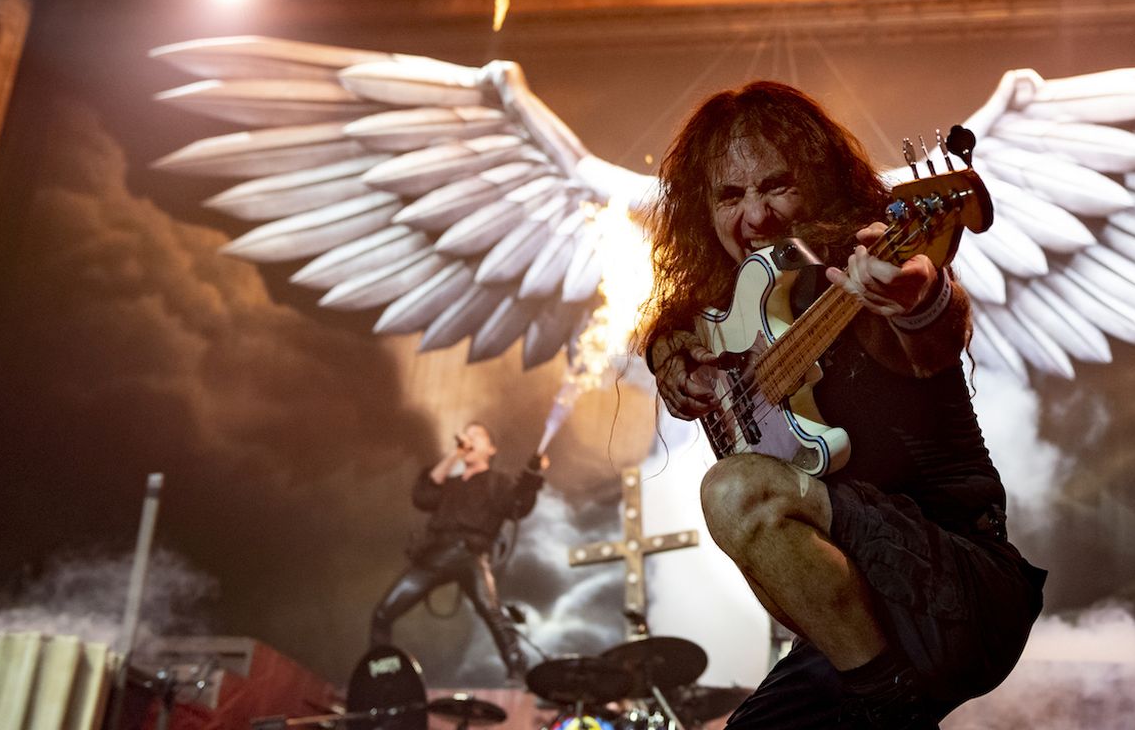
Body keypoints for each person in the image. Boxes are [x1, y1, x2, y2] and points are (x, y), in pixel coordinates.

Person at [639, 82, 1047, 730]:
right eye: (730, 195)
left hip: (952, 585)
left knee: (734, 490)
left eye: (777, 186)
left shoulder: (861, 259)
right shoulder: (735, 306)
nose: (756, 216)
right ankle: (880, 700)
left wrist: (917, 299)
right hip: (858, 623)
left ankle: (889, 713)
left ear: (820, 179)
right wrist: (667, 357)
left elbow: (935, 331)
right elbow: (673, 327)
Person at [370, 422, 547, 682]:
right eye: (467, 434)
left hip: (471, 554)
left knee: (492, 612)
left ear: (491, 449)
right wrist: (456, 454)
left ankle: (518, 672)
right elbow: (423, 496)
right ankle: (380, 674)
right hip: (436, 555)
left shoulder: (498, 482)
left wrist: (531, 478)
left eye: (478, 435)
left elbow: (517, 504)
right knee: (383, 613)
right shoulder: (450, 483)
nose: (470, 438)